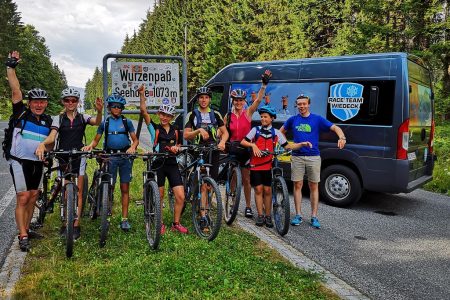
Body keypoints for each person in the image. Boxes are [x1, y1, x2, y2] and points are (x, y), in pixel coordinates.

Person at [35, 88, 103, 239]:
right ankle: (66, 222)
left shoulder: (82, 117)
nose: (70, 103)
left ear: (78, 102)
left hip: (79, 155)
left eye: (73, 100)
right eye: (67, 100)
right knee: (66, 190)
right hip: (63, 155)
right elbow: (52, 136)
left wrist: (99, 111)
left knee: (78, 191)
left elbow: (97, 122)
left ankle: (76, 224)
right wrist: (42, 144)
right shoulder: (58, 119)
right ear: (63, 102)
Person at [5, 51, 53, 251]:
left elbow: (50, 142)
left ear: (46, 103)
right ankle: (22, 235)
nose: (39, 105)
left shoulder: (48, 120)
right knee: (23, 197)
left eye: (42, 102)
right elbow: (16, 90)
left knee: (34, 195)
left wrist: (48, 153)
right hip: (19, 160)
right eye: (36, 102)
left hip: (36, 162)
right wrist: (11, 67)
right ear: (30, 103)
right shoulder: (21, 112)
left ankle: (26, 228)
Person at [280, 94, 346, 229]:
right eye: (299, 104)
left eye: (304, 104)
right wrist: (286, 144)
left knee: (313, 186)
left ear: (308, 104)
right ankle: (298, 215)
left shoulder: (317, 119)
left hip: (314, 157)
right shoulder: (292, 120)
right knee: (297, 185)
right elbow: (280, 132)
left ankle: (314, 216)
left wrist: (342, 137)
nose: (301, 106)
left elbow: (335, 127)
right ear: (296, 105)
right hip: (297, 156)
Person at [240, 105, 307, 227]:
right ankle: (260, 215)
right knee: (258, 190)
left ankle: (268, 216)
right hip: (255, 165)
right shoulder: (255, 130)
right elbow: (243, 141)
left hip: (267, 166)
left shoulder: (276, 133)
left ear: (272, 118)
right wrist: (253, 146)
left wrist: (301, 144)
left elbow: (287, 146)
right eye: (261, 117)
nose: (263, 119)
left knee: (268, 190)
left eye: (265, 117)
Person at [83, 93, 139, 231]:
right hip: (110, 157)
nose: (117, 109)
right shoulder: (105, 123)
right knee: (110, 188)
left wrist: (132, 147)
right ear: (109, 107)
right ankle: (106, 216)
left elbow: (135, 139)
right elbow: (96, 140)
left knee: (125, 189)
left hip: (125, 157)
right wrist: (90, 146)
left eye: (119, 107)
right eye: (114, 106)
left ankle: (124, 219)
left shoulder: (127, 122)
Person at [138, 85, 188, 234]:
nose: (164, 117)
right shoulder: (155, 128)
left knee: (180, 196)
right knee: (159, 196)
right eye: (162, 114)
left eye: (168, 115)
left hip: (172, 164)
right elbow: (143, 112)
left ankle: (176, 223)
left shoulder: (176, 131)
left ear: (171, 117)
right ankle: (159, 223)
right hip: (158, 164)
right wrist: (142, 96)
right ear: (159, 114)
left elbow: (180, 145)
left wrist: (177, 148)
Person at [223, 69, 272, 218]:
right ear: (233, 101)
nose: (238, 102)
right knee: (233, 178)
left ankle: (249, 206)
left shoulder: (248, 112)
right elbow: (222, 131)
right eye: (236, 100)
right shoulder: (228, 115)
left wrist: (263, 85)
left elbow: (257, 100)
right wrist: (220, 141)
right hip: (232, 147)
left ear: (244, 101)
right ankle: (231, 202)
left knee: (246, 179)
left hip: (245, 148)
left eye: (241, 100)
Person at [183, 87, 228, 231]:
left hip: (213, 150)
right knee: (202, 184)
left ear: (209, 99)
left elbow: (225, 133)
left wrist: (222, 142)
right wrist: (198, 130)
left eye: (206, 97)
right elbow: (186, 135)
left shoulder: (216, 114)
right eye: (201, 97)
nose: (204, 100)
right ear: (198, 99)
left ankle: (205, 206)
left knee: (210, 184)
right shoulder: (192, 114)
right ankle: (203, 216)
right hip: (197, 150)